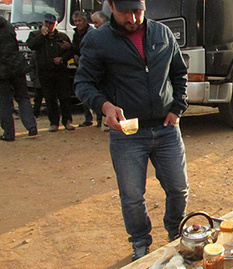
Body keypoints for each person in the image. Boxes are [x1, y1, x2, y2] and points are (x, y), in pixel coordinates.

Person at [74, 0, 189, 261]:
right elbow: (83, 82)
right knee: (133, 196)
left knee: (179, 188)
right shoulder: (98, 40)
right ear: (111, 6)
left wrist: (178, 107)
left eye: (138, 10)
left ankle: (175, 230)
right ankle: (140, 241)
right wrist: (104, 106)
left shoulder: (162, 33)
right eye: (126, 11)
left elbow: (179, 72)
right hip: (127, 133)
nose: (134, 18)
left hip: (166, 128)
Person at [26, 13, 75, 132]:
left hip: (60, 72)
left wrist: (62, 59)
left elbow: (71, 51)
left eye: (51, 23)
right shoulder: (35, 35)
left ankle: (67, 121)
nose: (48, 26)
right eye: (46, 23)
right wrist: (42, 35)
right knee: (50, 98)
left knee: (64, 97)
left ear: (56, 24)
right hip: (44, 72)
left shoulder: (62, 36)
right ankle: (53, 123)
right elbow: (31, 45)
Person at [0, 16, 37, 141]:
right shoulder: (8, 26)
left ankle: (9, 133)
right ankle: (31, 125)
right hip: (17, 66)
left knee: (4, 102)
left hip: (2, 71)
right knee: (23, 97)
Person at [71, 11, 96, 127]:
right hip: (81, 66)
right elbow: (75, 48)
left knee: (96, 91)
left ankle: (100, 119)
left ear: (85, 21)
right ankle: (88, 118)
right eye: (75, 21)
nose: (77, 23)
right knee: (84, 91)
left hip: (93, 66)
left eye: (79, 21)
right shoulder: (76, 34)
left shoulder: (92, 33)